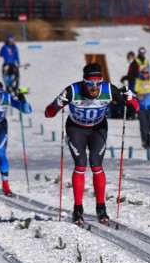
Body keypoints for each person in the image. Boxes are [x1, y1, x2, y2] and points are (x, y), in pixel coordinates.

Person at [44, 63, 139, 224]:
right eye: (90, 84)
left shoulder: (109, 90)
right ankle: (78, 209)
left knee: (96, 165)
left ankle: (101, 208)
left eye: (97, 83)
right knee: (80, 165)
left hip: (98, 129)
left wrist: (131, 98)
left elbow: (135, 109)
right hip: (76, 129)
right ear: (84, 82)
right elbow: (48, 114)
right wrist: (57, 104)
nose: (94, 87)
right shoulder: (72, 91)